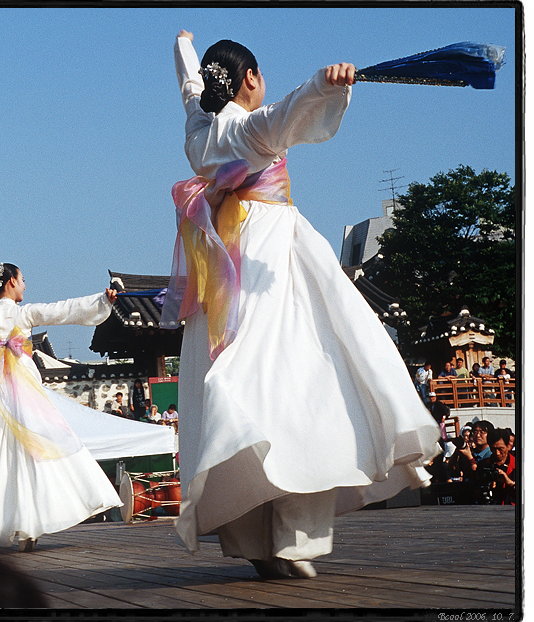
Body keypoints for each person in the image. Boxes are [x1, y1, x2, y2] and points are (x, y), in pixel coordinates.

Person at [160, 31, 440, 580]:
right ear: (250, 79)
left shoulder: (198, 132)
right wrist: (324, 83)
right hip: (271, 264)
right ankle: (294, 540)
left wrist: (182, 45)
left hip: (220, 279)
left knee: (247, 395)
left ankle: (253, 541)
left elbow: (190, 88)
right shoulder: (249, 128)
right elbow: (292, 110)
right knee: (307, 389)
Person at [0, 259, 123, 550]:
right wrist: (101, 300)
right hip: (26, 397)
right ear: (11, 282)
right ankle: (28, 528)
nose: (24, 286)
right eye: (22, 280)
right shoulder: (25, 314)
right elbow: (65, 309)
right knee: (36, 454)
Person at [475, 429, 516, 505]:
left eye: (500, 449)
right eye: (493, 449)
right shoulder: (483, 465)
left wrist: (510, 483)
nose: (497, 453)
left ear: (508, 446)